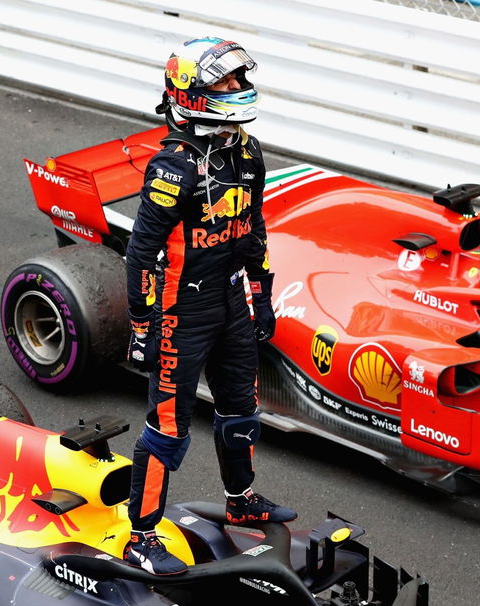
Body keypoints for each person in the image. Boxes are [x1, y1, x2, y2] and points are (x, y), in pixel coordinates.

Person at [122, 36, 296, 575]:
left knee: (240, 409)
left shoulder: (246, 149)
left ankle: (240, 500)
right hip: (180, 314)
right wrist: (140, 323)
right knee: (169, 426)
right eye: (225, 82)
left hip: (231, 304)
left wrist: (262, 294)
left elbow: (254, 230)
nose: (239, 88)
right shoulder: (173, 168)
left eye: (239, 79)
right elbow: (140, 253)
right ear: (192, 94)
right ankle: (142, 535)